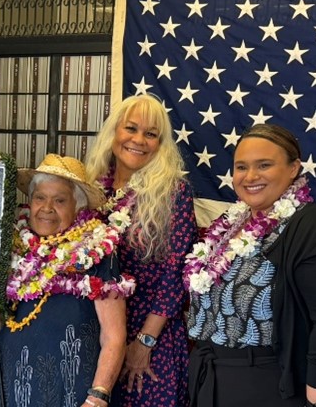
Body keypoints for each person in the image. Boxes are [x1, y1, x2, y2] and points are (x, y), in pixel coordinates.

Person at [185, 124, 316, 407]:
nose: (250, 176)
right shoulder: (230, 227)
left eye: (264, 165)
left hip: (277, 388)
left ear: (293, 168)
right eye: (241, 167)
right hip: (213, 381)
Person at [0, 154, 133, 407]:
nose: (47, 207)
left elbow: (114, 336)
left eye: (60, 200)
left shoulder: (97, 252)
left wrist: (98, 395)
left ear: (78, 207)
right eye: (40, 197)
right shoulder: (14, 244)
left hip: (69, 387)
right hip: (6, 381)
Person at [84, 94, 197, 406]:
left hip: (149, 336)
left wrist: (144, 342)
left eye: (151, 134)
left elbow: (176, 275)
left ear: (161, 143)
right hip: (94, 329)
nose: (138, 140)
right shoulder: (90, 186)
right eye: (131, 129)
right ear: (114, 132)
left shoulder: (173, 192)